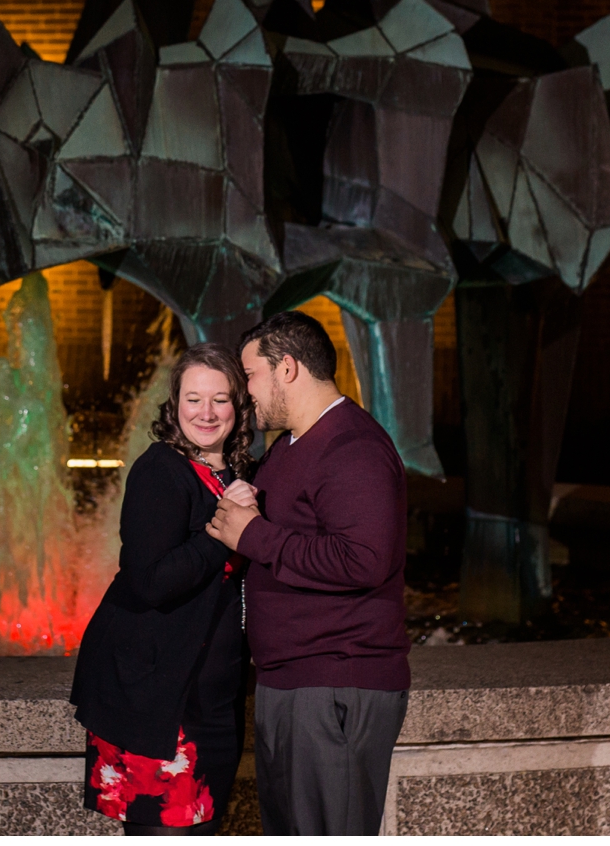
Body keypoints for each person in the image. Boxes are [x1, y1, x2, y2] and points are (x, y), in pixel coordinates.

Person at [204, 311, 409, 836]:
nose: (244, 392)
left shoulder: (352, 447)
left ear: (287, 368)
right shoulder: (293, 444)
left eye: (250, 375)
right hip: (294, 683)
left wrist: (253, 535)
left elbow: (363, 558)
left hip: (335, 682)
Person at [72, 343, 261, 834]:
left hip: (212, 695)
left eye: (220, 399)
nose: (207, 412)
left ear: (239, 407)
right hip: (161, 699)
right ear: (174, 405)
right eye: (193, 398)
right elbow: (149, 581)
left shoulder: (236, 475)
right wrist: (225, 528)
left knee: (204, 830)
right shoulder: (160, 471)